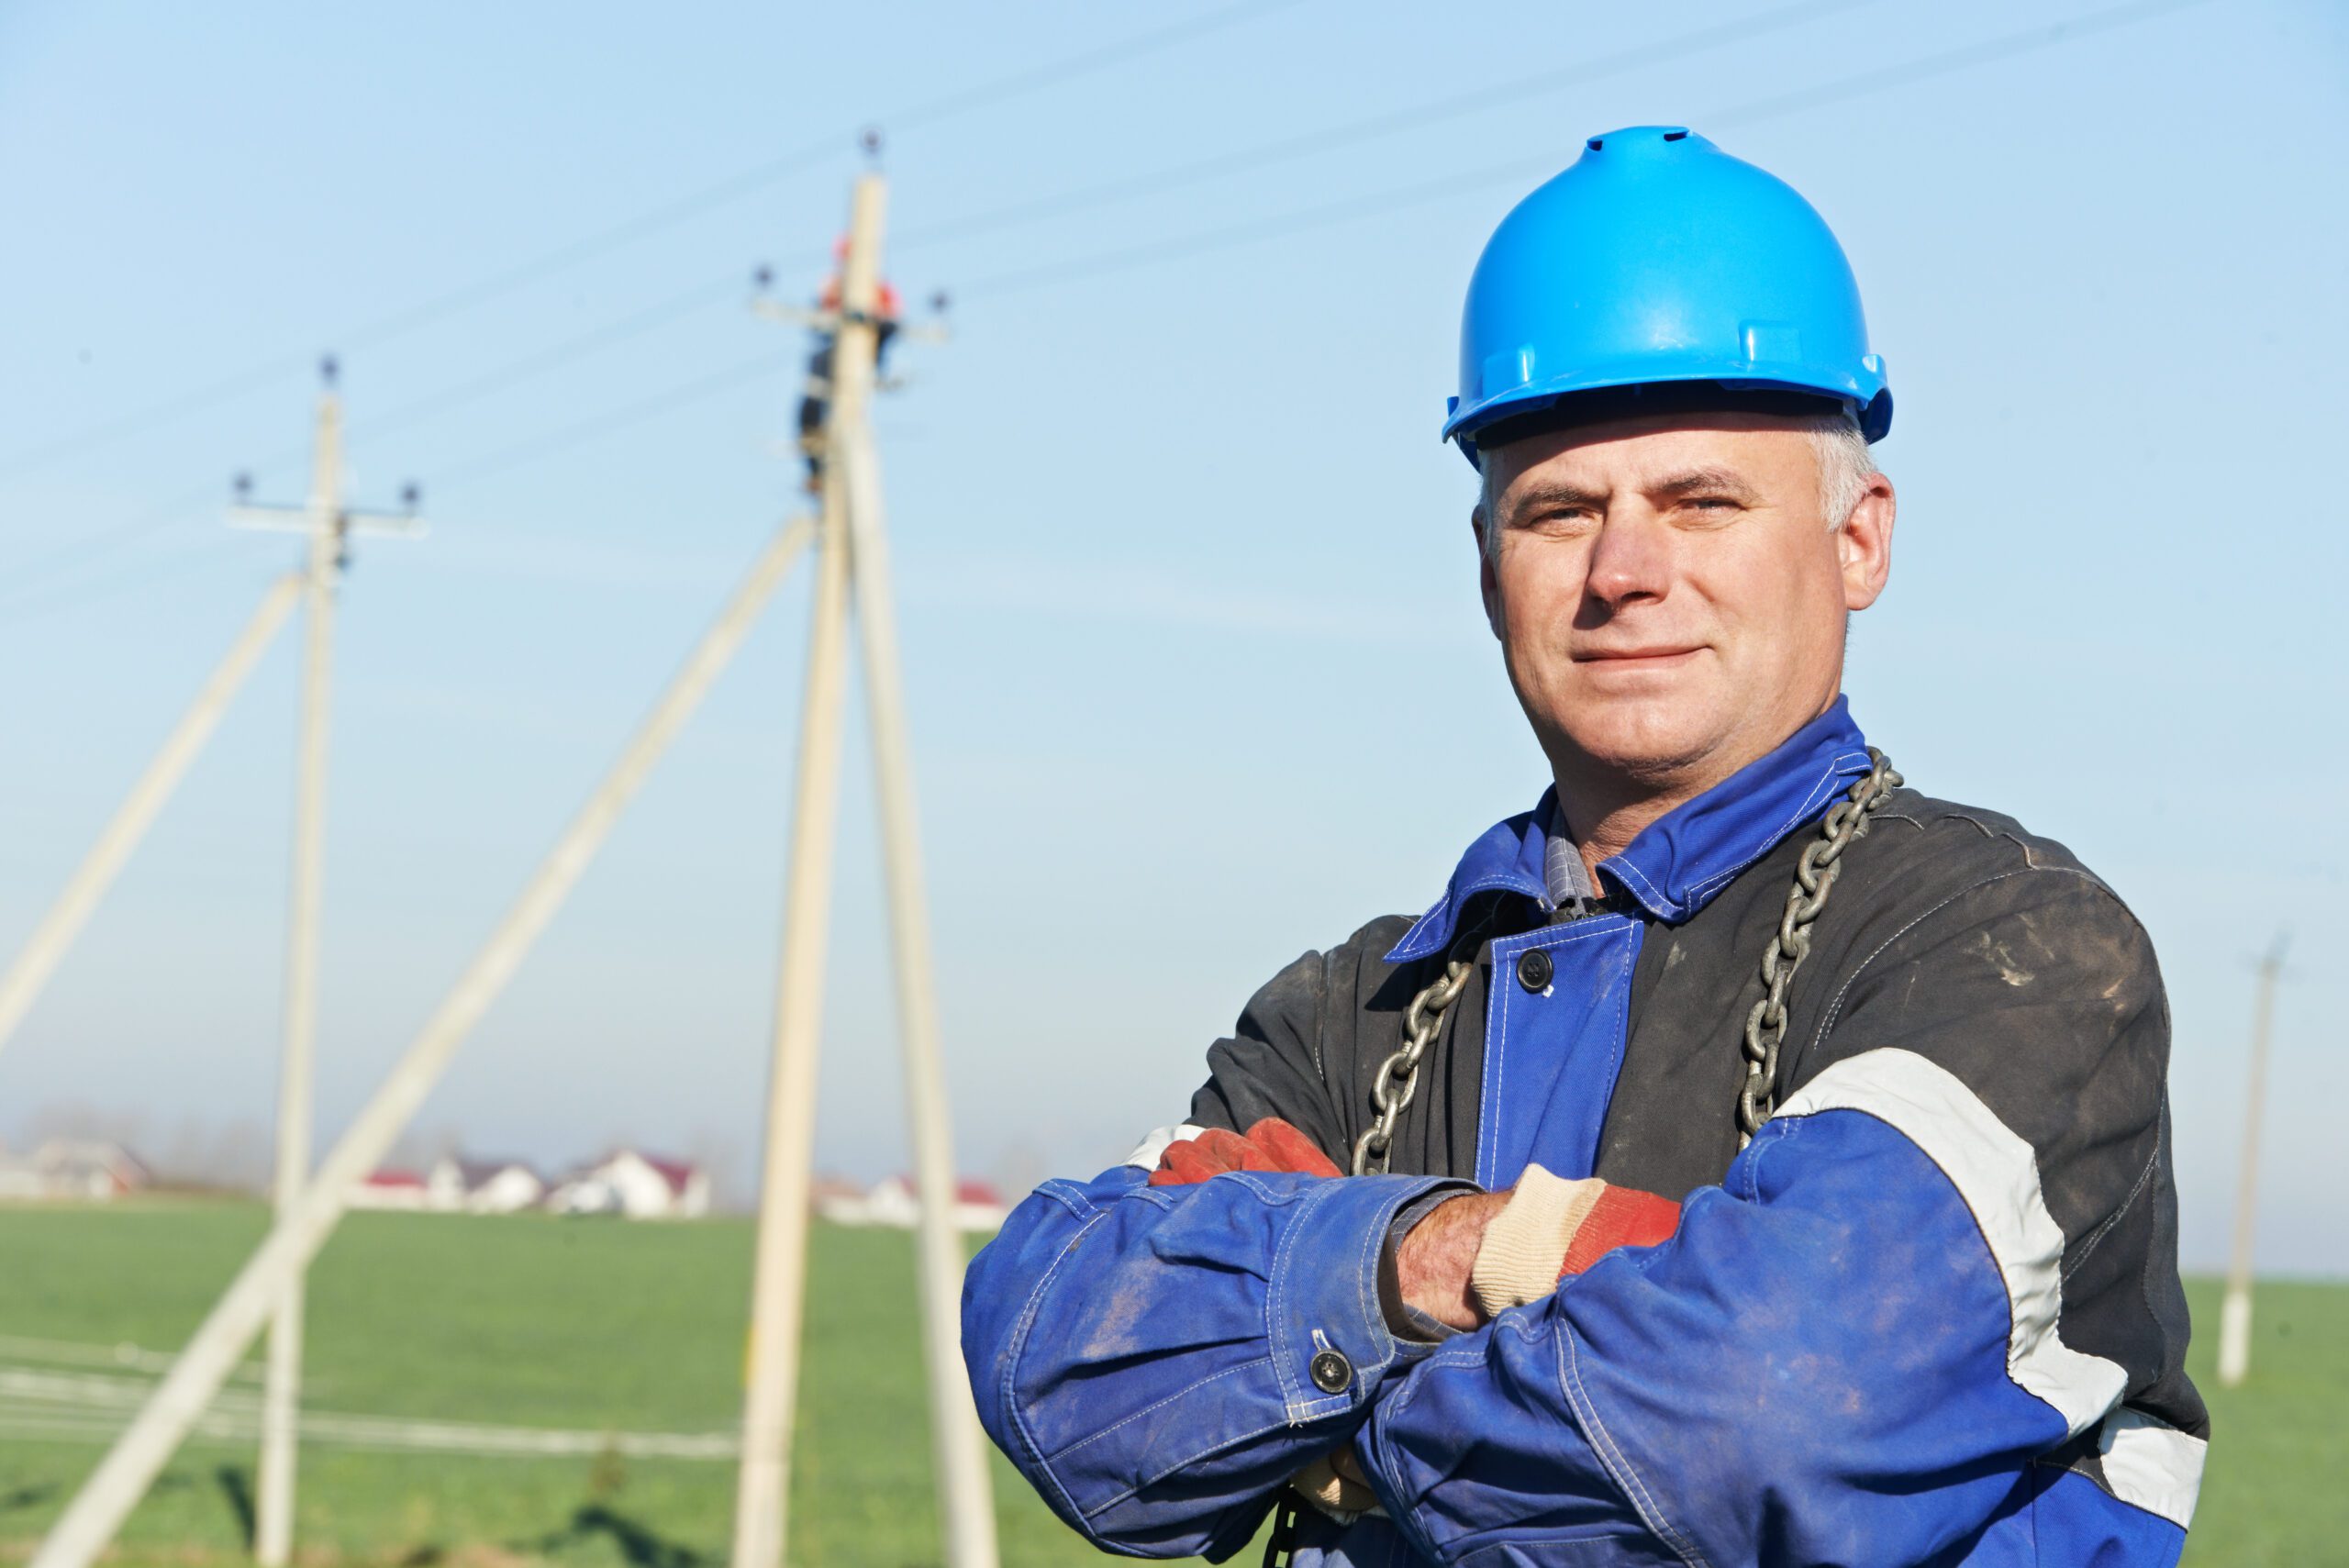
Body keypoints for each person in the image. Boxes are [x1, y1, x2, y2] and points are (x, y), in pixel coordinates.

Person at [961, 126, 2207, 1567]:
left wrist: (1312, 1379)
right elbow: (1059, 1349)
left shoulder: (2011, 951)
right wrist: (1451, 1249)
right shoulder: (1353, 1009)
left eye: (1702, 502)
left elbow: (1759, 1419)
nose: (1625, 573)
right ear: (1490, 568)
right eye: (1560, 512)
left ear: (1859, 539)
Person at [796, 241, 903, 494]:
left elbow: (892, 319)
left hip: (861, 358)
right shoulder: (832, 285)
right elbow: (818, 318)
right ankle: (816, 471)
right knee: (811, 406)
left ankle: (833, 466)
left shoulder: (881, 290)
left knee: (849, 415)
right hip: (832, 356)